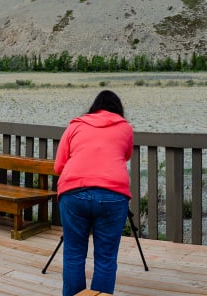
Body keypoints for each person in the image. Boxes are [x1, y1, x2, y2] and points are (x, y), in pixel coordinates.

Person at [54, 89, 133, 296]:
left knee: (73, 254)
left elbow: (58, 165)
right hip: (113, 194)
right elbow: (125, 156)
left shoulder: (76, 125)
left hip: (73, 193)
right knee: (106, 258)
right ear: (118, 109)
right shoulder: (125, 128)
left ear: (94, 107)